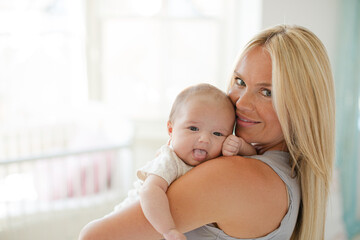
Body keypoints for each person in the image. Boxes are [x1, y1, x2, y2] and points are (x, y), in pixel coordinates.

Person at [79, 24, 335, 240]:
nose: (241, 103)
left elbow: (94, 237)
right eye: (240, 82)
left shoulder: (234, 175)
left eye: (267, 92)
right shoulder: (287, 175)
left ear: (303, 107)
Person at [109, 83, 256, 240]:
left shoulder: (216, 159)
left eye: (218, 133)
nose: (205, 139)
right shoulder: (170, 160)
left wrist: (240, 147)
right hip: (131, 222)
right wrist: (168, 230)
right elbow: (150, 191)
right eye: (193, 129)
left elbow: (253, 160)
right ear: (171, 130)